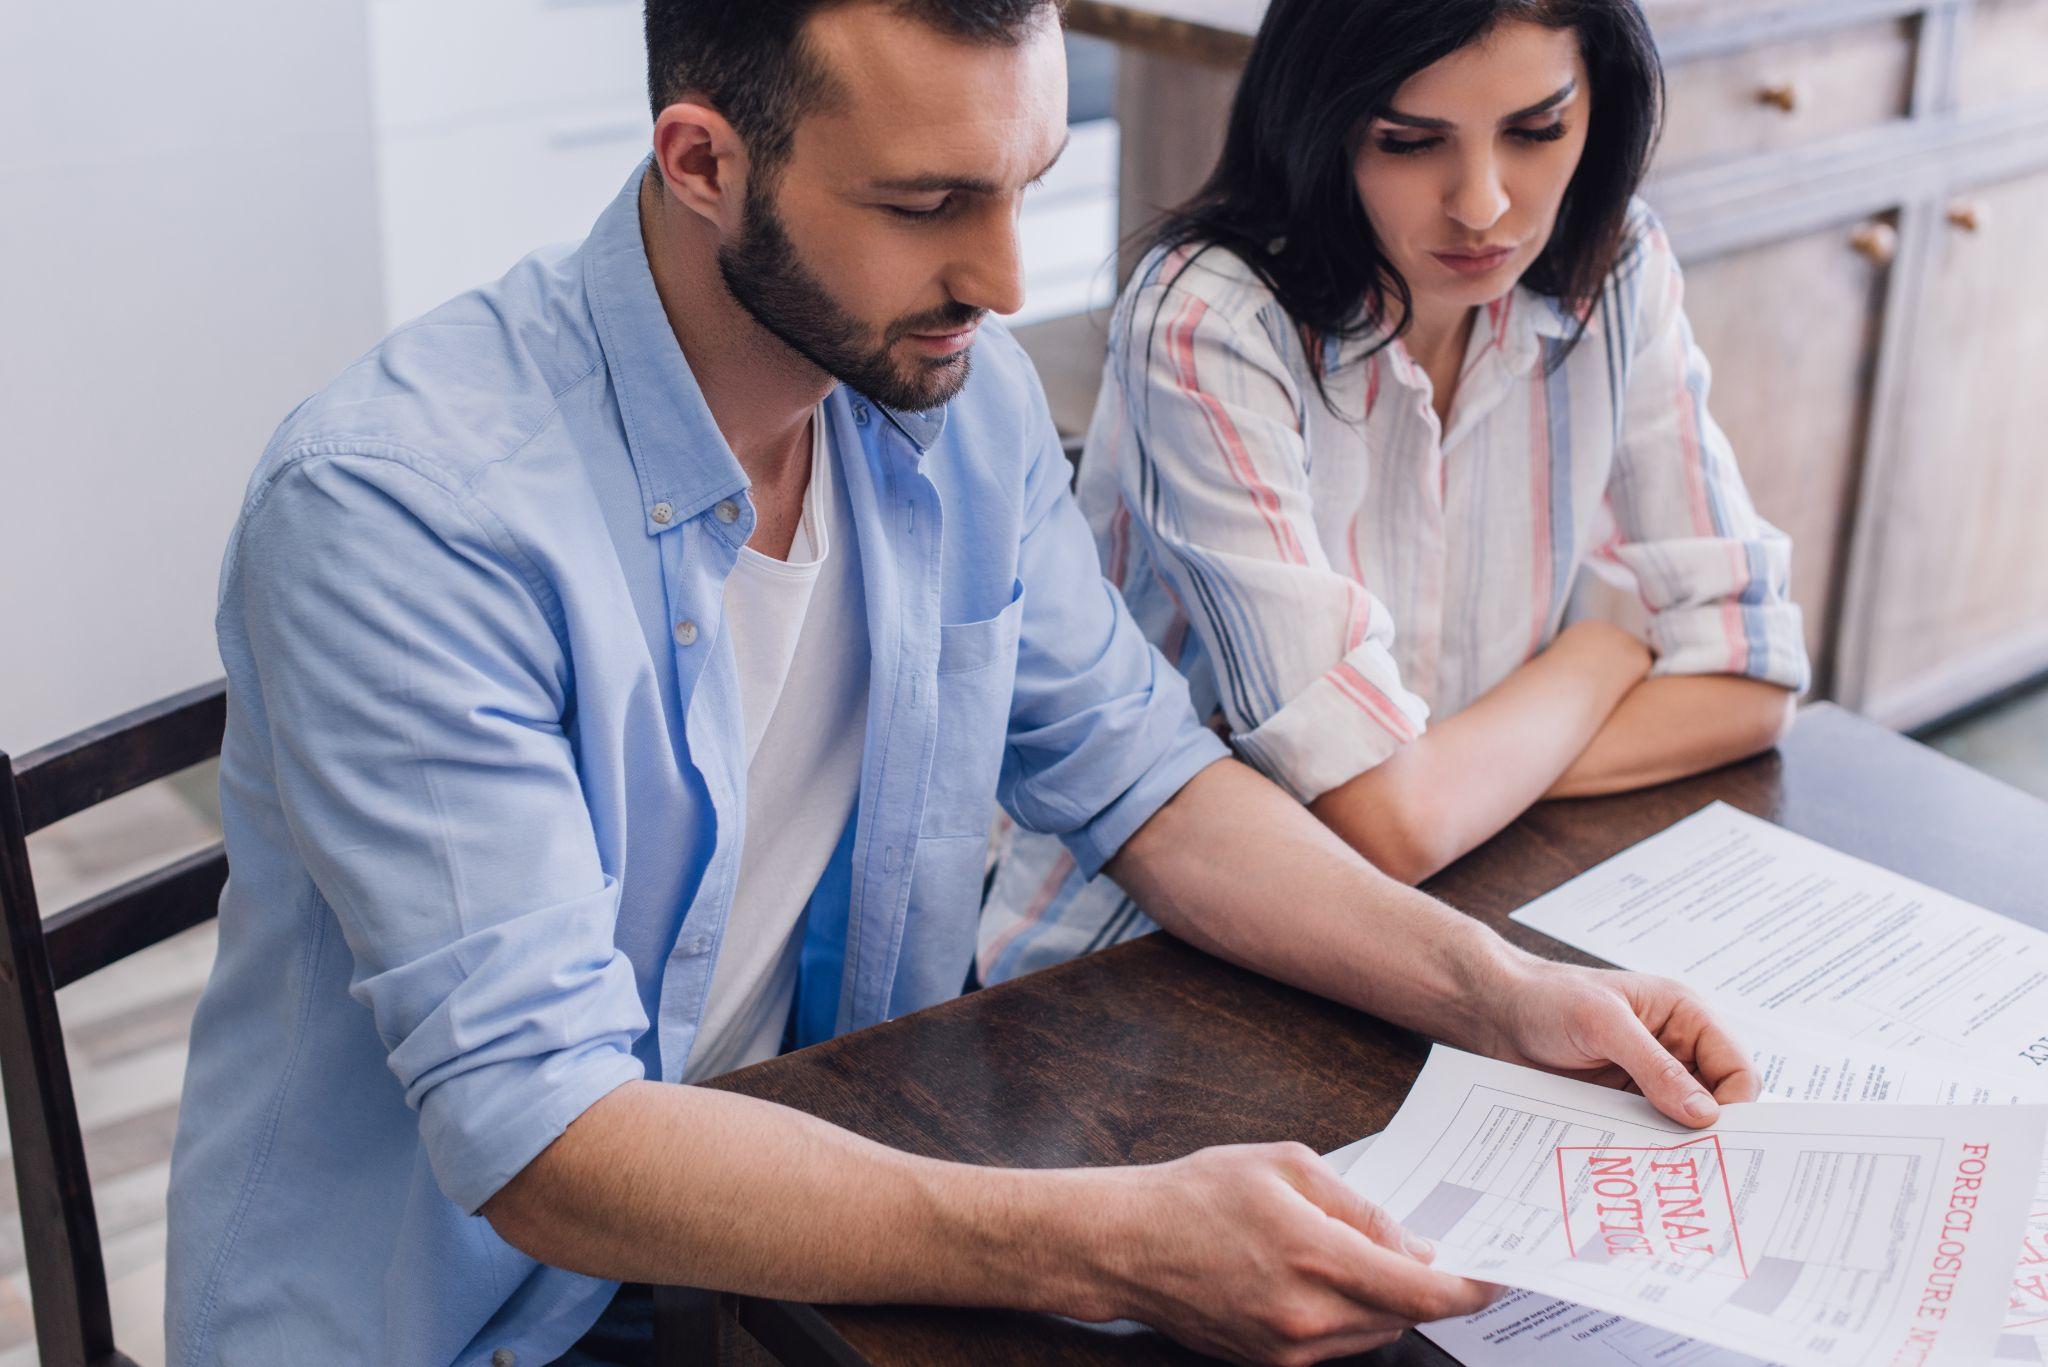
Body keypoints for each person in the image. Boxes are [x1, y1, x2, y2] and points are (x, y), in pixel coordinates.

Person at [165, 3, 1758, 1364]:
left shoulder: (950, 398)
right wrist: (1111, 1242)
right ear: (703, 161)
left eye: (1026, 185)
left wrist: (1507, 993)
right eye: (929, 203)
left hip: (789, 1237)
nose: (1002, 279)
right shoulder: (399, 511)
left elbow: (1151, 781)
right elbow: (541, 1136)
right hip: (473, 1314)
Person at [982, 0, 1810, 985]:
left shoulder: (1614, 268)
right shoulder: (1209, 322)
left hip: (1467, 904)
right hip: (1135, 963)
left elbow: (1751, 683)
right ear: (1323, 125)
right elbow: (1381, 819)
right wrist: (1605, 648)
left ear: (1601, 105)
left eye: (1535, 130)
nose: (1483, 205)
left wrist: (1450, 786)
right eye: (1409, 143)